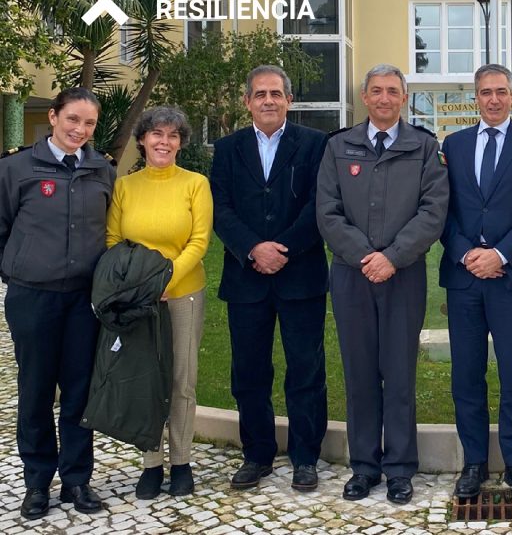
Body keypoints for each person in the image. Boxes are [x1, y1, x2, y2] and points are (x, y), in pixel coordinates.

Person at [316, 64, 448, 505]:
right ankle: (364, 466)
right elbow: (327, 212)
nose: (385, 98)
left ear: (404, 97)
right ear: (365, 97)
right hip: (352, 277)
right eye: (377, 91)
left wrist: (391, 258)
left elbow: (433, 211)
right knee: (359, 374)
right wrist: (363, 257)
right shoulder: (339, 147)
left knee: (399, 372)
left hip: (403, 276)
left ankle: (399, 468)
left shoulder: (424, 148)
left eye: (393, 91)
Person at [210, 65, 329, 492]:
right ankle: (257, 454)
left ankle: (304, 457)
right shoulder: (226, 149)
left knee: (306, 371)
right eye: (259, 93)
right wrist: (252, 249)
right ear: (247, 101)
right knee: (249, 373)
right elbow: (219, 208)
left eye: (276, 93)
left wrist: (283, 249)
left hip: (301, 276)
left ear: (289, 100)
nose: (267, 101)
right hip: (246, 278)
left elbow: (320, 205)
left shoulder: (315, 145)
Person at [439, 64, 512, 500]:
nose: (493, 99)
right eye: (485, 92)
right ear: (476, 97)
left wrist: (501, 254)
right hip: (464, 277)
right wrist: (468, 254)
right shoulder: (454, 143)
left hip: (511, 277)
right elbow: (441, 208)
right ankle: (473, 462)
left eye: (501, 91)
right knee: (466, 374)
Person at [0, 88, 116, 519]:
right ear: (53, 117)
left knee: (79, 391)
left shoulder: (102, 169)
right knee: (34, 390)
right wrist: (19, 269)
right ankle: (36, 483)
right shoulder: (15, 169)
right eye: (72, 120)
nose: (79, 130)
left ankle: (77, 480)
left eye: (88, 124)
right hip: (33, 297)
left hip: (84, 301)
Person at [105, 106, 213, 497]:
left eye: (172, 135)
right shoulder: (125, 186)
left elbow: (199, 241)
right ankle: (151, 463)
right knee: (146, 380)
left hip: (183, 293)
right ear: (143, 140)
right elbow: (114, 242)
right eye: (156, 134)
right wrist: (141, 285)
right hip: (139, 299)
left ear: (181, 143)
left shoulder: (196, 184)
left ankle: (182, 461)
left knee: (183, 380)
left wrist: (168, 278)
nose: (164, 142)